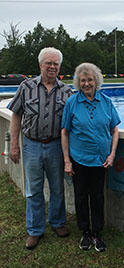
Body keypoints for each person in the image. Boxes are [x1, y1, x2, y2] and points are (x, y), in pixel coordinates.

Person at [8, 47, 73, 250]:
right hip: (32, 146)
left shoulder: (67, 91)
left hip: (55, 146)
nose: (52, 67)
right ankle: (35, 230)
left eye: (56, 64)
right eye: (49, 63)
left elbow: (72, 123)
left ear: (59, 67)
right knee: (33, 190)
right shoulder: (26, 87)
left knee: (57, 188)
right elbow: (16, 115)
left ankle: (57, 223)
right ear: (40, 65)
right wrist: (14, 144)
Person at [61, 63, 120, 252]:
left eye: (90, 79)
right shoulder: (72, 102)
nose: (87, 83)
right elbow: (65, 132)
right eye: (83, 80)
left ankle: (97, 233)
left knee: (97, 197)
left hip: (100, 160)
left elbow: (115, 129)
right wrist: (67, 161)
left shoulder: (106, 101)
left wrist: (112, 154)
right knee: (80, 197)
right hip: (79, 160)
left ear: (96, 81)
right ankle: (85, 232)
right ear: (78, 82)